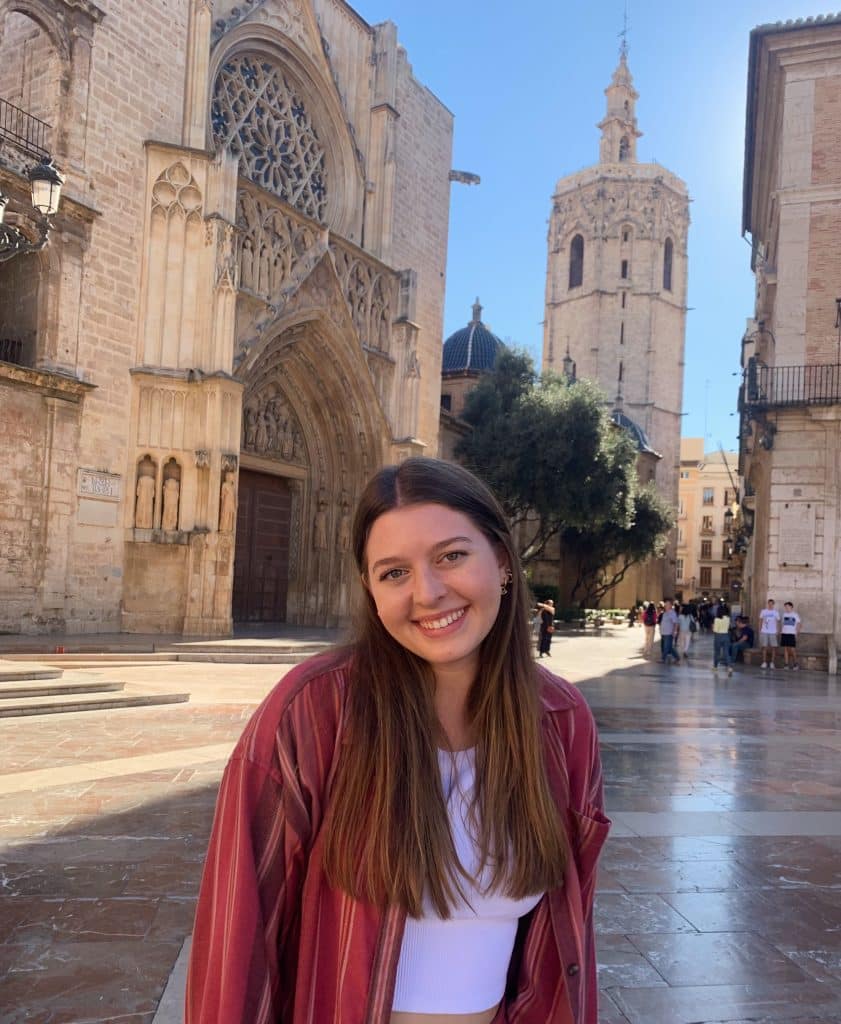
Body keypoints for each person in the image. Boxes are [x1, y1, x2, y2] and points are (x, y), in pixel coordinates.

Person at [186, 457, 610, 1024]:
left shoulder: (561, 721)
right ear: (370, 589)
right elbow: (238, 937)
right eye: (394, 573)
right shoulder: (313, 712)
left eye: (451, 556)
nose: (428, 593)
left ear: (503, 562)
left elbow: (566, 939)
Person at [758, 598, 780, 669]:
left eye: (771, 604)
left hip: (773, 632)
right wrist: (760, 629)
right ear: (767, 604)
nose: (770, 605)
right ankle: (764, 662)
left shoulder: (776, 612)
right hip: (764, 631)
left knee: (773, 647)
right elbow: (760, 620)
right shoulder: (763, 611)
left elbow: (778, 622)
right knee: (764, 647)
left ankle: (772, 662)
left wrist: (778, 630)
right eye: (769, 604)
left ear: (773, 604)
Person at [780, 600, 802, 669]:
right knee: (785, 649)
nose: (786, 608)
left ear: (791, 607)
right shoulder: (784, 614)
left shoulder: (795, 614)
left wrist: (796, 633)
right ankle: (786, 664)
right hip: (784, 633)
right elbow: (783, 624)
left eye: (787, 606)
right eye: (785, 607)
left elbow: (799, 624)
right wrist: (781, 632)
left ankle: (796, 664)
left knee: (792, 649)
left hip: (792, 634)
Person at [712, 603, 732, 675]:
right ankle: (729, 667)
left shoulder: (717, 619)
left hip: (718, 636)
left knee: (717, 652)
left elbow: (715, 630)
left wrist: (713, 627)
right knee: (726, 652)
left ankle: (715, 667)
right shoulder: (728, 618)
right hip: (726, 636)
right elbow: (729, 627)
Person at [659, 599, 680, 664]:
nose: (665, 605)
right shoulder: (665, 613)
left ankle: (663, 659)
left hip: (669, 633)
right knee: (669, 647)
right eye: (665, 604)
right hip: (664, 633)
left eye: (667, 604)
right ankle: (677, 658)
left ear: (671, 605)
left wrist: (675, 631)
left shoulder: (672, 613)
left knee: (666, 647)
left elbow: (676, 623)